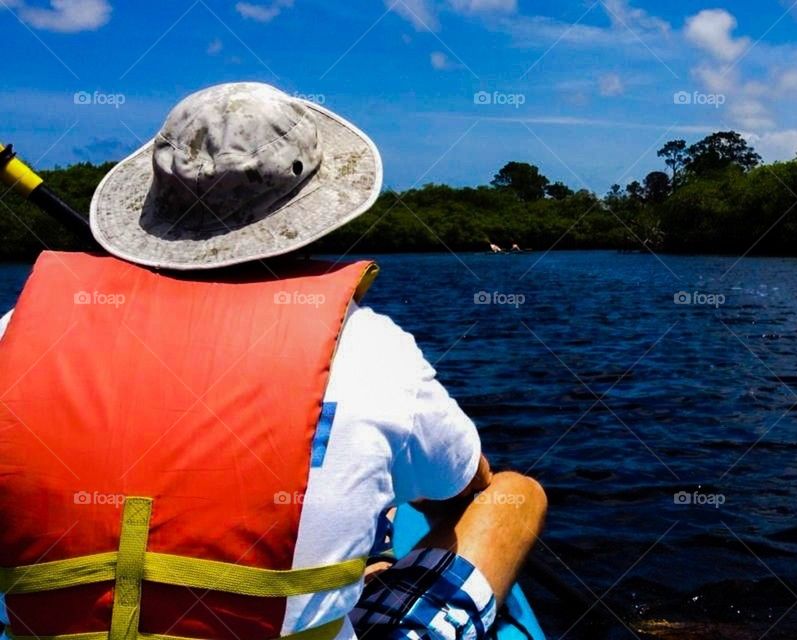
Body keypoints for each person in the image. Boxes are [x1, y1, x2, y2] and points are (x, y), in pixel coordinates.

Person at [0, 82, 545, 640]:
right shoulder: (371, 348)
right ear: (311, 214)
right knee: (515, 493)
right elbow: (463, 487)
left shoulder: (12, 334)